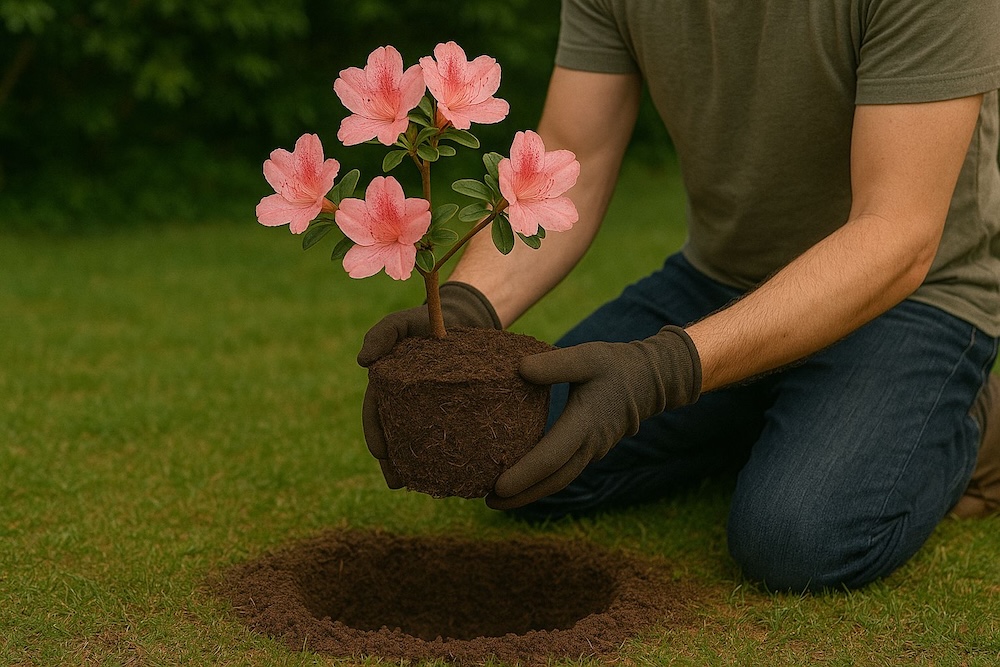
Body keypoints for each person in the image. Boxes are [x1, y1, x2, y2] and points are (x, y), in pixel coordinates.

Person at [358, 0, 1000, 591]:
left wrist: (660, 372)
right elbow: (573, 163)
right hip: (720, 279)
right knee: (517, 452)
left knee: (794, 539)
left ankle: (973, 417)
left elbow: (897, 232)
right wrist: (464, 312)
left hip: (910, 300)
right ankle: (772, 406)